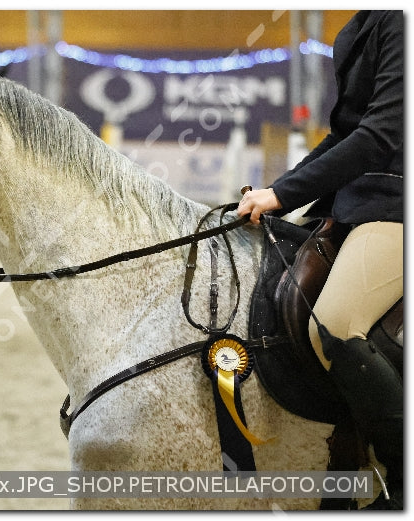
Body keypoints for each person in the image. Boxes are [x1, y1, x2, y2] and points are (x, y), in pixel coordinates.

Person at [237, 11, 403, 509]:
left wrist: (283, 193)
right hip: (353, 204)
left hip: (398, 203)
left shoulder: (401, 18)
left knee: (335, 323)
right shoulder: (360, 25)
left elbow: (382, 134)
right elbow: (344, 135)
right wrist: (277, 194)